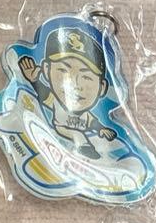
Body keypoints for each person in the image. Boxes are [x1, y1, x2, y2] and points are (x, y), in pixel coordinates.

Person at [18, 25, 115, 160]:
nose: (75, 84)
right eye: (63, 71)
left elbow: (93, 122)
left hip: (76, 156)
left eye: (86, 77)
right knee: (78, 135)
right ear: (46, 70)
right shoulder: (57, 103)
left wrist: (101, 129)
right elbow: (44, 95)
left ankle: (87, 155)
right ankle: (85, 149)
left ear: (102, 87)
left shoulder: (86, 114)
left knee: (85, 138)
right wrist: (34, 81)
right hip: (61, 128)